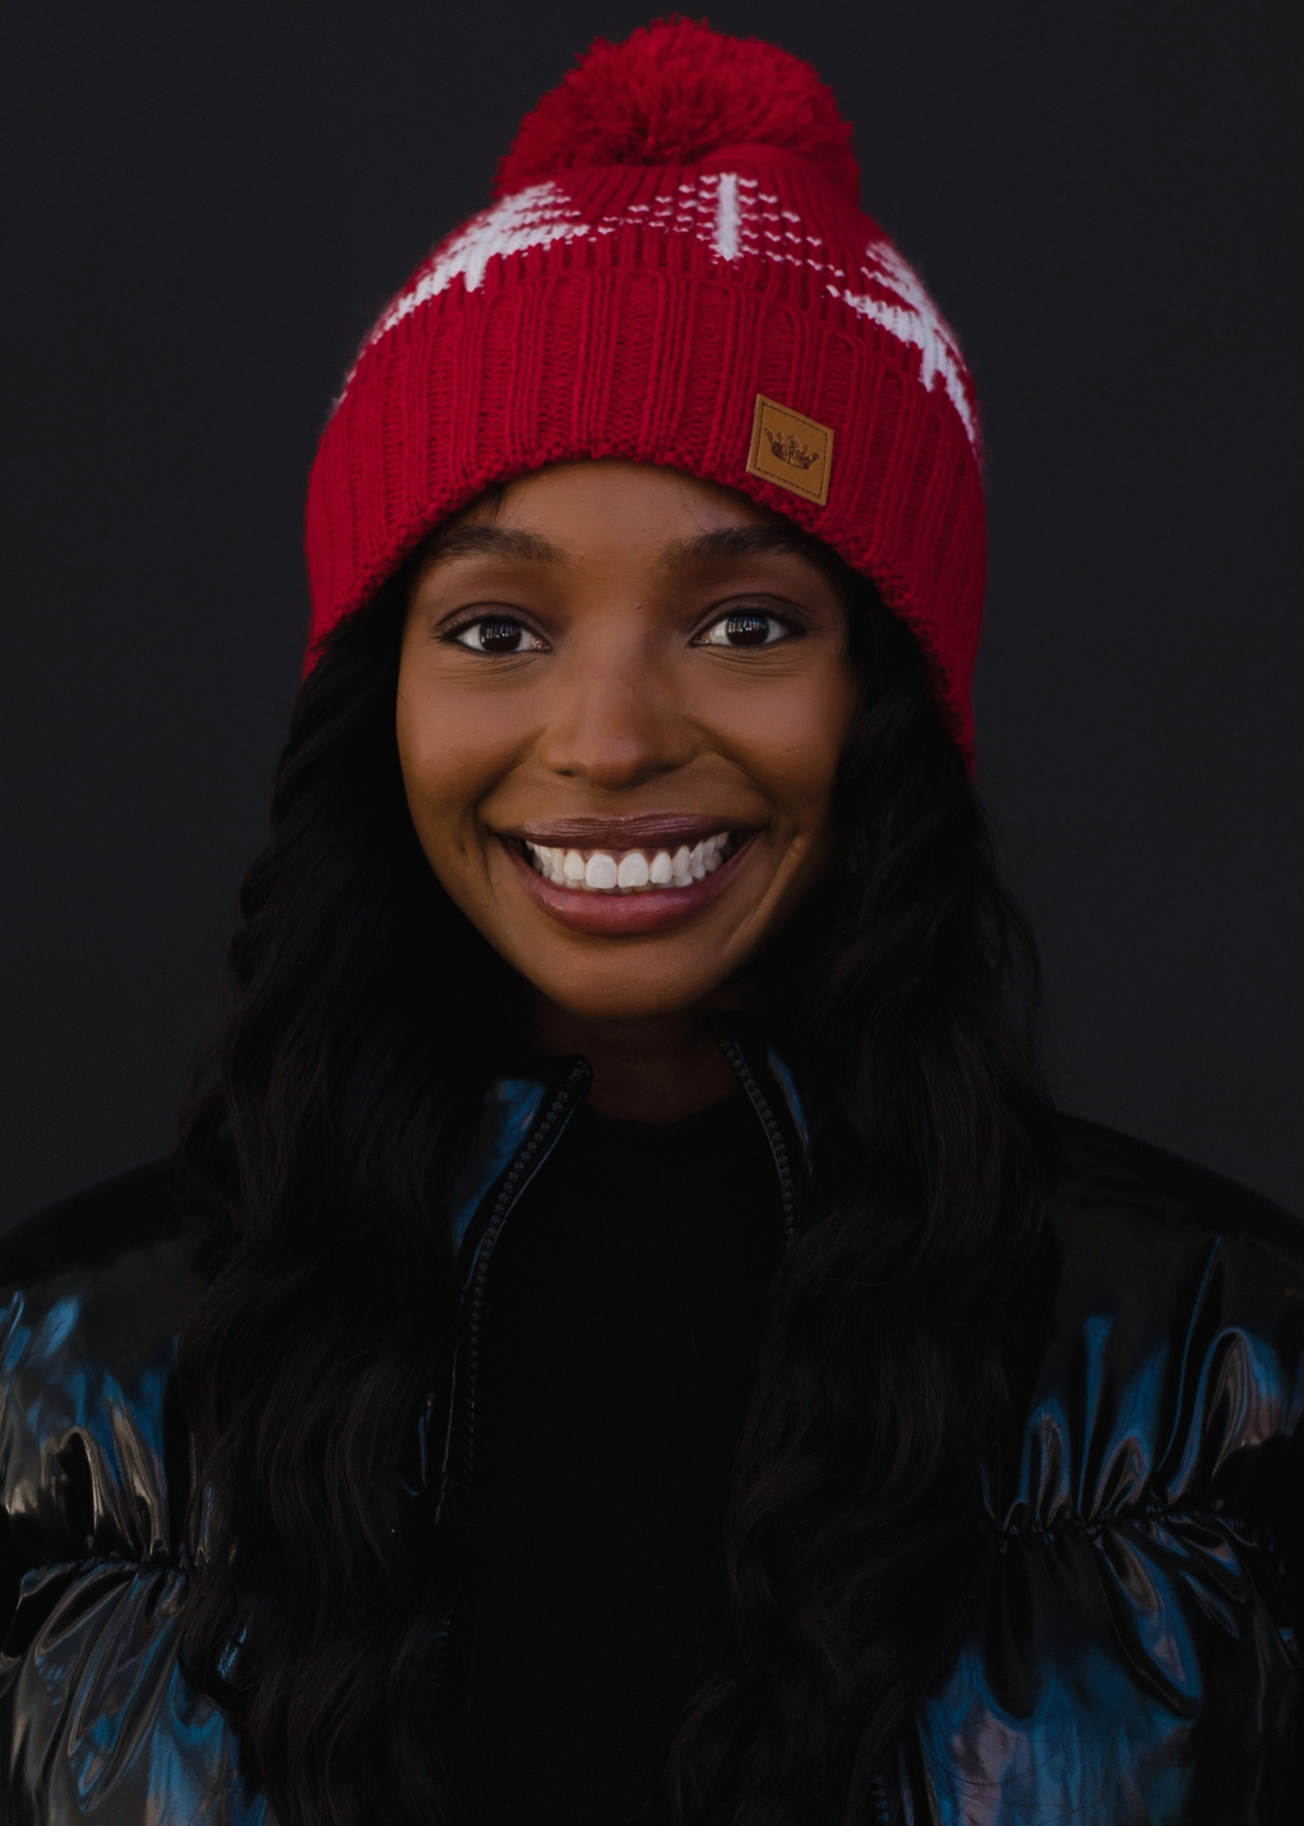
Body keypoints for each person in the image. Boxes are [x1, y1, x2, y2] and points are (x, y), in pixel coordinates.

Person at [0, 20, 1298, 1826]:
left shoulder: (1228, 1373)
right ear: (375, 702)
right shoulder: (51, 1385)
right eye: (497, 628)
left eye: (746, 621)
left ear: (889, 697)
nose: (606, 740)